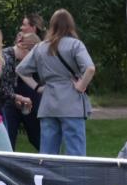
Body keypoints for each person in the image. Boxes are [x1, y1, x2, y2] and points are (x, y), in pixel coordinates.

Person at [16, 9, 95, 156]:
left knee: (47, 155)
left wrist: (37, 87)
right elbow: (90, 68)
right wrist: (81, 85)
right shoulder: (75, 45)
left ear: (52, 25)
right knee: (76, 154)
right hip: (72, 104)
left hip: (48, 104)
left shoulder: (40, 47)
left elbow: (20, 69)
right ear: (70, 25)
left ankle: (48, 173)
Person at [0, 32, 41, 150]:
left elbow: (6, 87)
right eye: (32, 56)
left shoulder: (10, 58)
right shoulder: (6, 59)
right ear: (23, 47)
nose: (32, 61)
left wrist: (14, 99)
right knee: (5, 147)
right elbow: (1, 89)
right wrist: (18, 98)